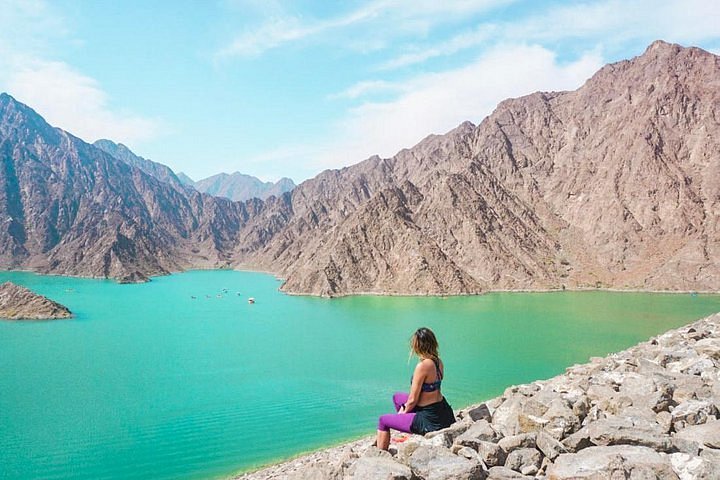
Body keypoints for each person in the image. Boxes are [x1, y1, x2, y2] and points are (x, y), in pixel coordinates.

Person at [376, 327, 455, 450]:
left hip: (430, 420)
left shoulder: (422, 366)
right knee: (397, 397)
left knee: (383, 420)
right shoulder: (438, 361)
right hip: (443, 412)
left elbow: (412, 400)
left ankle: (379, 456)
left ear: (418, 346)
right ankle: (407, 430)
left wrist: (403, 413)